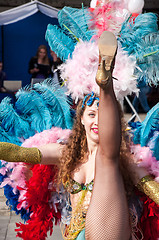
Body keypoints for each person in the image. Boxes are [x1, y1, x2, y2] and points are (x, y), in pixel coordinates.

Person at [0, 32, 158, 240]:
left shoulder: (127, 161)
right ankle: (105, 85)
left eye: (103, 115)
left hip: (110, 229)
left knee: (108, 159)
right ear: (81, 119)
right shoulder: (65, 152)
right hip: (76, 234)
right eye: (91, 114)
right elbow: (21, 152)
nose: (97, 121)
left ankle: (106, 84)